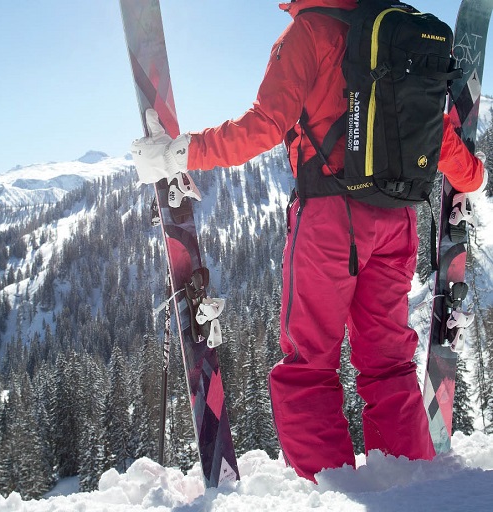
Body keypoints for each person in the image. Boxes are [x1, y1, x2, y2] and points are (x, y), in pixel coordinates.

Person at [130, 0, 488, 482]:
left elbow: (264, 125)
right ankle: (409, 487)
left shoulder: (310, 32)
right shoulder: (395, 31)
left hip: (330, 223)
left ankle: (330, 490)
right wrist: (473, 176)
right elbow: (435, 136)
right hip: (398, 221)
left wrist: (182, 152)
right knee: (388, 364)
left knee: (308, 365)